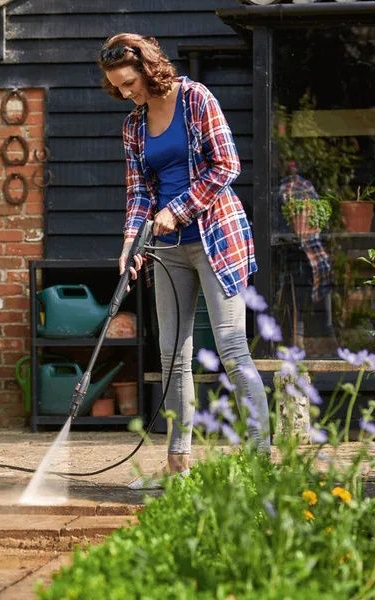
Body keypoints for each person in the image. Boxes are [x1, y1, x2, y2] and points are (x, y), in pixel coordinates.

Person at [98, 33, 271, 489]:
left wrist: (178, 210)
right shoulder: (134, 126)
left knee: (232, 351)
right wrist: (130, 245)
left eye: (130, 82)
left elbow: (227, 165)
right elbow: (138, 193)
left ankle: (260, 462)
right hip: (168, 249)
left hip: (216, 237)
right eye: (117, 87)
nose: (126, 93)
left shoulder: (196, 99)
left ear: (149, 68)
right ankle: (179, 466)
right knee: (173, 356)